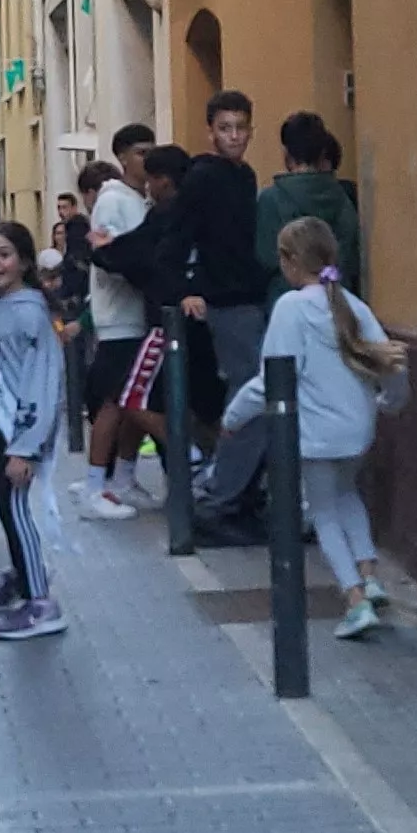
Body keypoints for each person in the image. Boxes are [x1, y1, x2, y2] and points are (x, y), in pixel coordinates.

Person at [226, 218, 409, 639]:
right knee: (348, 496)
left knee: (323, 512)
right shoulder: (351, 305)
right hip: (358, 428)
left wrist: (233, 418)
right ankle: (370, 574)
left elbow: (272, 376)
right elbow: (391, 361)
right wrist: (391, 403)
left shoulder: (292, 308)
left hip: (315, 432)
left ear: (290, 262)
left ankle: (354, 599)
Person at [168, 91, 271, 531]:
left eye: (241, 128)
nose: (234, 136)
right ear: (211, 131)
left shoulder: (245, 176)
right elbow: (174, 240)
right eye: (225, 128)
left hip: (250, 298)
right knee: (252, 396)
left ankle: (237, 489)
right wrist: (186, 290)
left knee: (255, 396)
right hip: (225, 304)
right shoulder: (202, 178)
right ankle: (220, 491)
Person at [0, 221, 70, 640]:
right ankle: (23, 572)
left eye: (4, 254)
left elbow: (41, 383)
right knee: (7, 507)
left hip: (19, 430)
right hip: (0, 423)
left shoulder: (28, 312)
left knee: (18, 509)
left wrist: (25, 447)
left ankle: (41, 601)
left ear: (24, 261)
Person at [72, 159, 168, 520]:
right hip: (120, 320)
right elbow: (117, 257)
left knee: (129, 398)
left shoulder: (132, 202)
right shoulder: (115, 203)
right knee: (118, 400)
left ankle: (121, 479)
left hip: (132, 318)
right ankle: (96, 484)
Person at [256, 112, 365, 306]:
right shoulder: (343, 197)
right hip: (339, 300)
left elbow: (265, 257)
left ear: (287, 153)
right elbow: (351, 253)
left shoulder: (272, 198)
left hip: (286, 298)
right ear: (323, 153)